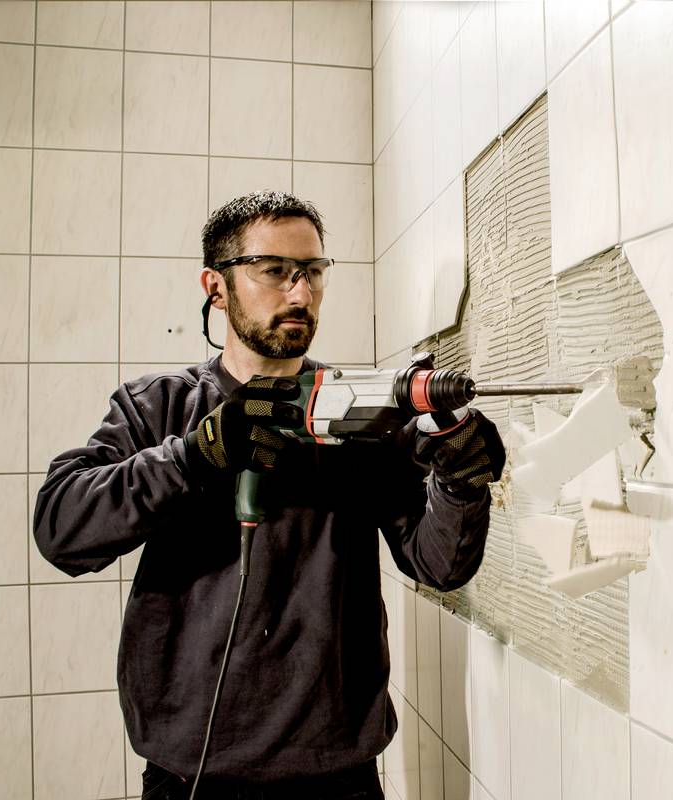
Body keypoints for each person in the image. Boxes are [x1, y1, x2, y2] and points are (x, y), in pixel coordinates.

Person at [33, 191, 505, 799]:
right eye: (276, 271)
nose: (301, 293)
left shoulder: (360, 413)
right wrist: (195, 454)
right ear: (217, 286)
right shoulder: (161, 407)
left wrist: (459, 481)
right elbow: (62, 529)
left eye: (312, 272)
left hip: (338, 777)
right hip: (192, 776)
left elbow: (439, 564)